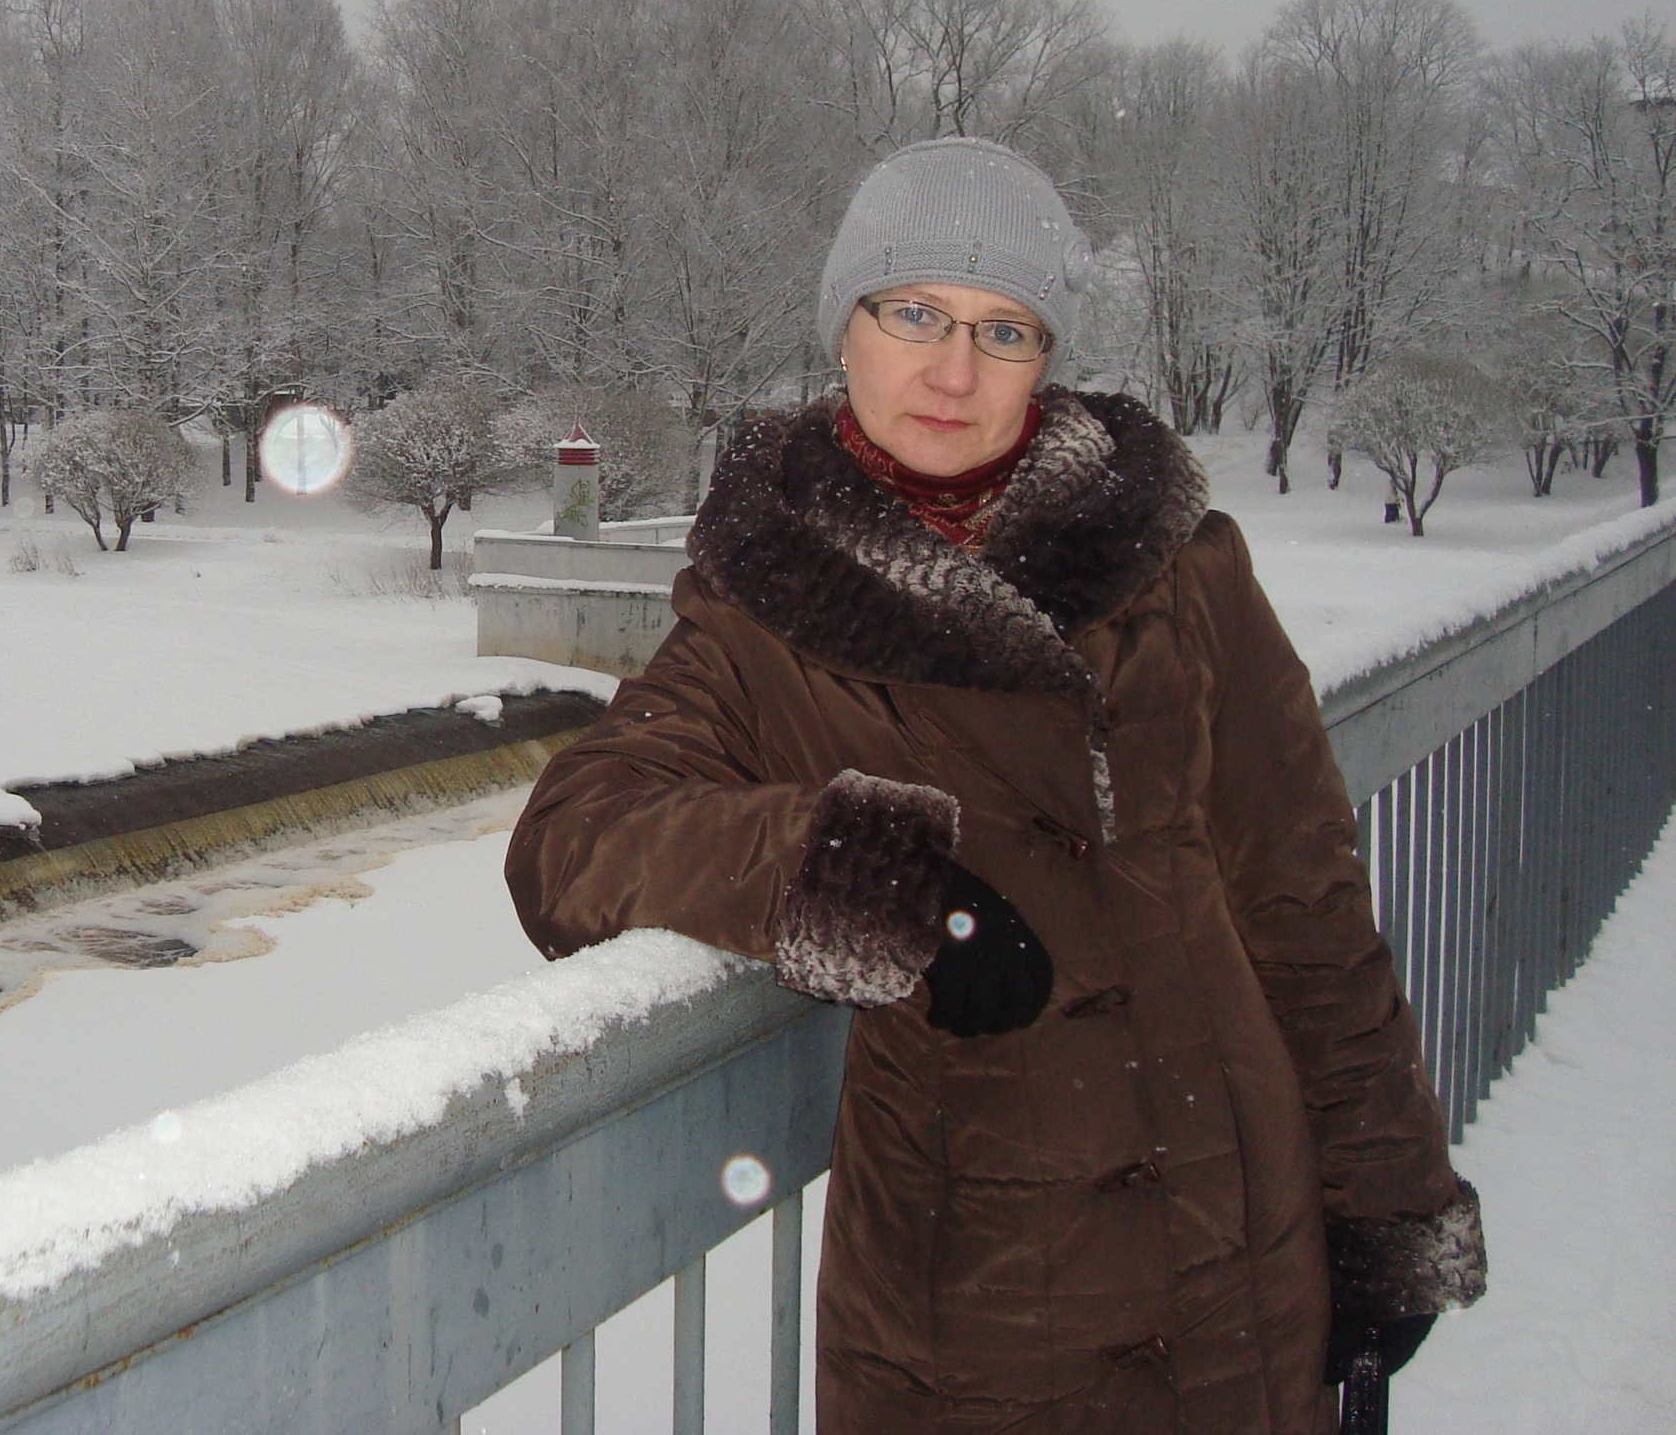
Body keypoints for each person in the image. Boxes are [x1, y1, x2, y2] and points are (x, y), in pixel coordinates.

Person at [505, 138, 1484, 1433]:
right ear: (844, 331)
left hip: (1241, 1256)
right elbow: (573, 840)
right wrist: (870, 883)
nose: (955, 371)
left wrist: (1385, 1205)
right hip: (974, 1313)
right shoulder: (769, 610)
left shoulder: (1180, 564)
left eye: (1003, 330)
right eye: (913, 314)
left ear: (1046, 356)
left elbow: (1306, 903)